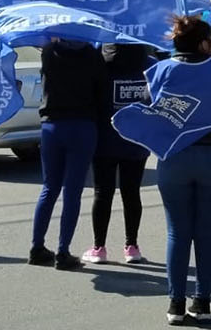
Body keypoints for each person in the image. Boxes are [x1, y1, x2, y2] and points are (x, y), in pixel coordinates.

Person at [152, 15, 211, 325]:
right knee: (206, 234)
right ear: (206, 44)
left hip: (174, 155)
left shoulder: (161, 70)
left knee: (177, 233)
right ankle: (202, 303)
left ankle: (175, 305)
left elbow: (149, 110)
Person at [31, 38, 107, 271]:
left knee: (49, 187)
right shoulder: (93, 55)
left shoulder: (49, 52)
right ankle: (63, 252)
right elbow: (101, 92)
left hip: (51, 125)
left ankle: (37, 247)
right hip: (82, 125)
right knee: (72, 191)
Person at [84, 44, 152, 266]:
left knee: (102, 193)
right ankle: (131, 246)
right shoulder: (148, 63)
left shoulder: (99, 63)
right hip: (137, 139)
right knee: (131, 193)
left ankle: (98, 248)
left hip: (104, 138)